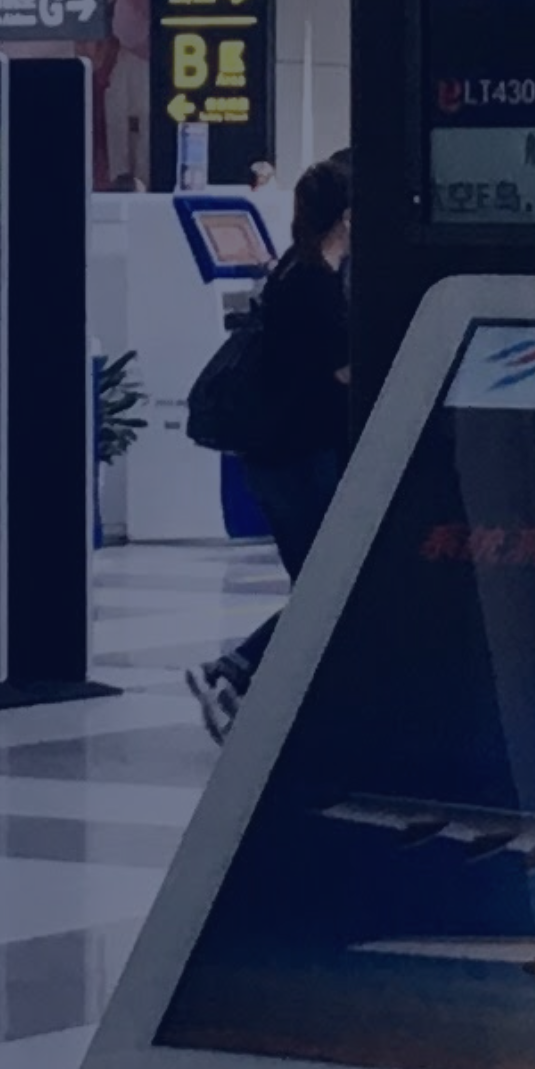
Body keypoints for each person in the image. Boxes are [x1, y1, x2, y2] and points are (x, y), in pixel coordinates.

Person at [189, 155, 365, 735]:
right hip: (301, 457)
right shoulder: (315, 284)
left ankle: (247, 677)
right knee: (330, 588)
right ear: (343, 215)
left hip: (276, 456)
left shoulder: (292, 267)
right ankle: (235, 672)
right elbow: (343, 370)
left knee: (320, 587)